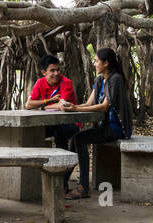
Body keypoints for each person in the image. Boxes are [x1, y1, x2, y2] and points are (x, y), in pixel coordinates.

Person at [52, 47, 132, 199]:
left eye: (96, 61)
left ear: (106, 63)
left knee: (79, 139)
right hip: (104, 126)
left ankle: (83, 187)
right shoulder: (99, 80)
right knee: (77, 139)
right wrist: (70, 106)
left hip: (116, 127)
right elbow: (88, 103)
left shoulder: (115, 79)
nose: (94, 64)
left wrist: (75, 108)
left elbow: (104, 106)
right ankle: (62, 181)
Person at [27, 54, 79, 149]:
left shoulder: (66, 83)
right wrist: (50, 100)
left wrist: (42, 106)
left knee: (59, 134)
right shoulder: (40, 83)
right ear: (44, 72)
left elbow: (62, 106)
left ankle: (64, 162)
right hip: (51, 122)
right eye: (52, 70)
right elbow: (28, 105)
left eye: (58, 70)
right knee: (33, 132)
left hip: (70, 121)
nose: (56, 73)